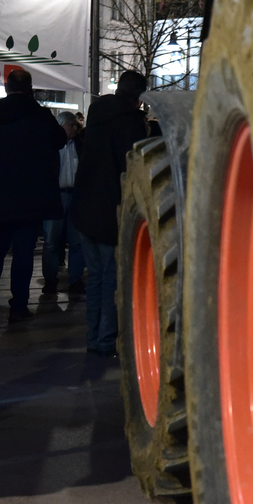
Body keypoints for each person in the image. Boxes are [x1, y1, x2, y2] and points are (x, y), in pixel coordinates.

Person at [0, 69, 68, 323]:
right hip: (30, 200)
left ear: (6, 86)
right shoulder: (40, 116)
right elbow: (59, 140)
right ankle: (19, 304)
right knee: (23, 255)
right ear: (30, 88)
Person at [72, 70, 149, 357]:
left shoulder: (96, 113)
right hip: (111, 211)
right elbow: (134, 169)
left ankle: (93, 338)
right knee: (111, 278)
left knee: (94, 278)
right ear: (138, 98)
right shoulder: (130, 124)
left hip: (85, 207)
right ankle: (105, 340)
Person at [40, 111, 85, 311]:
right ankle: (50, 279)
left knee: (76, 241)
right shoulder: (50, 146)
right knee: (51, 240)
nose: (75, 128)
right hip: (56, 195)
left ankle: (75, 279)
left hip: (75, 196)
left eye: (75, 125)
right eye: (71, 125)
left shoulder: (80, 146)